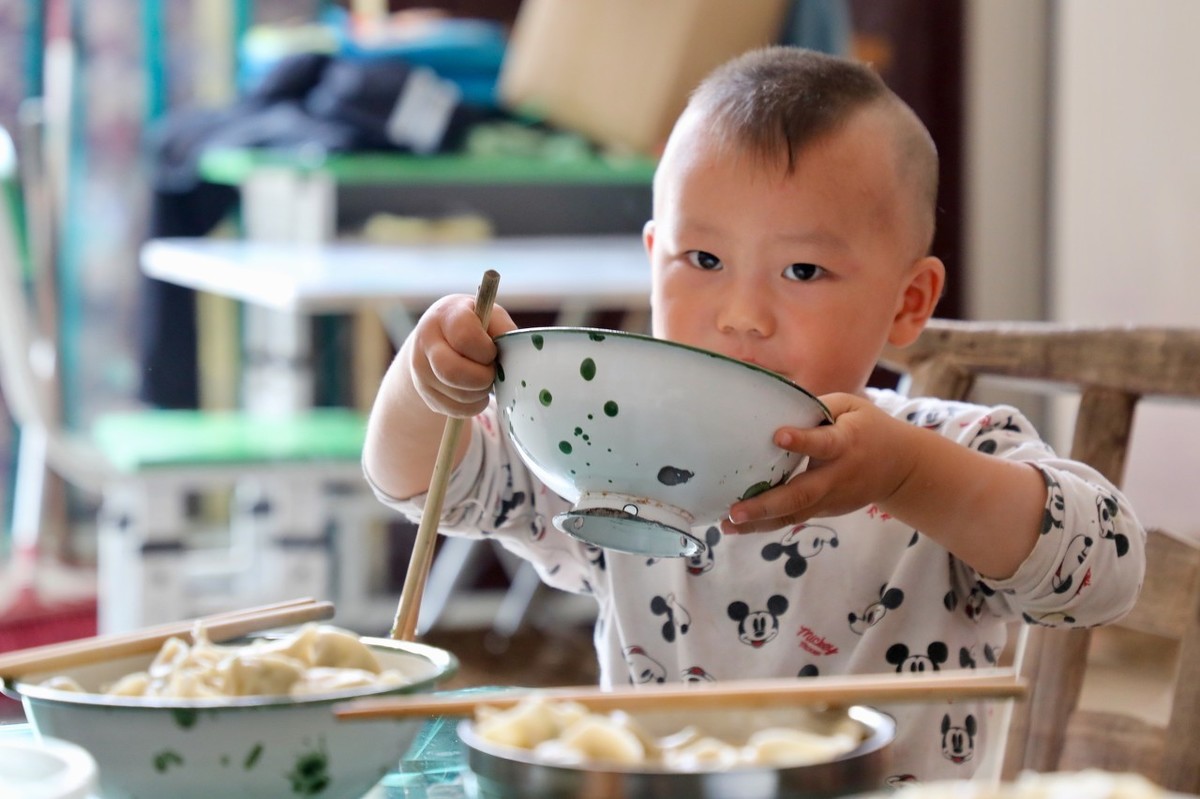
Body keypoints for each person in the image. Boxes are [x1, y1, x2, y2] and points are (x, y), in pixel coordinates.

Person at [362, 46, 1144, 784]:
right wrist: (428, 379)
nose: (741, 315)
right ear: (653, 255)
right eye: (702, 260)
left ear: (908, 302)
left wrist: (913, 475)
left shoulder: (949, 449)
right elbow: (424, 484)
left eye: (802, 269)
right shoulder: (613, 461)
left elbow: (1106, 570)